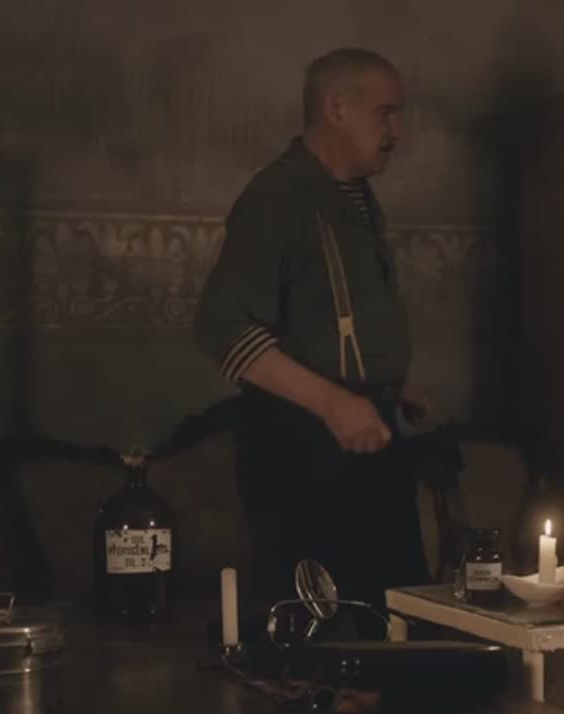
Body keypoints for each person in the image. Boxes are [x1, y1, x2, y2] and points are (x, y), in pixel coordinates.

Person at [194, 48, 430, 625]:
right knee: (329, 635)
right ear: (337, 108)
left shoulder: (355, 198)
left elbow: (328, 315)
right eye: (386, 113)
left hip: (368, 443)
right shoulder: (279, 195)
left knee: (397, 623)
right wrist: (335, 403)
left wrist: (386, 382)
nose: (397, 131)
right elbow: (221, 327)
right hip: (303, 455)